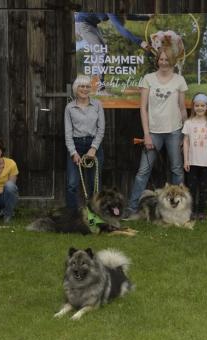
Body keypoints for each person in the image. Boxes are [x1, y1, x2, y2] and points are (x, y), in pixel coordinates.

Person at [124, 47, 188, 217]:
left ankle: (178, 210)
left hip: (175, 131)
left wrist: (185, 134)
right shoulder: (148, 79)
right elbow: (143, 108)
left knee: (177, 170)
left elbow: (182, 109)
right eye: (161, 59)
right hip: (153, 133)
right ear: (157, 60)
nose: (164, 62)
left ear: (172, 61)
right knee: (143, 172)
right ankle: (132, 209)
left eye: (167, 60)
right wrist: (146, 134)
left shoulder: (179, 80)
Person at [75, 12, 151, 94]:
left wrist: (146, 17)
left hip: (91, 24)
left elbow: (126, 15)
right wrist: (140, 42)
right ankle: (99, 88)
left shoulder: (117, 7)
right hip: (83, 23)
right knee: (100, 52)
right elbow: (120, 29)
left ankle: (93, 84)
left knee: (100, 51)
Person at [64, 75, 105, 211]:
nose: (85, 89)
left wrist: (93, 148)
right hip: (76, 145)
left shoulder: (97, 104)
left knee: (95, 184)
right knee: (72, 184)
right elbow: (68, 133)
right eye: (82, 86)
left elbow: (101, 128)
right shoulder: (69, 108)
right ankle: (72, 215)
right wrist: (73, 152)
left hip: (94, 145)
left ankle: (94, 215)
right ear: (76, 88)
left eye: (87, 86)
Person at [182, 93, 207, 221]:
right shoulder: (189, 122)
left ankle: (202, 212)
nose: (199, 108)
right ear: (193, 107)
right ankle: (192, 212)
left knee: (204, 188)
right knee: (191, 188)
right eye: (197, 105)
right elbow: (185, 142)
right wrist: (186, 160)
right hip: (192, 162)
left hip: (206, 162)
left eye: (202, 105)